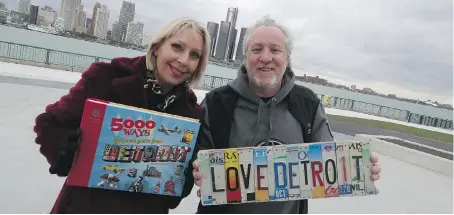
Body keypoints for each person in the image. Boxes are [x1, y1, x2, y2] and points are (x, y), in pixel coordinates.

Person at [192, 16, 382, 214]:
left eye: (275, 50)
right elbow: (197, 160)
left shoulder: (307, 103)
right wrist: (198, 171)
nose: (265, 57)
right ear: (246, 56)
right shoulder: (216, 102)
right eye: (256, 49)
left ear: (287, 59)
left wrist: (358, 168)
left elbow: (331, 162)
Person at [33, 18, 210, 214]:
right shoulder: (106, 77)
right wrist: (65, 150)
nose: (184, 60)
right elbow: (50, 123)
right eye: (177, 47)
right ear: (158, 46)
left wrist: (184, 175)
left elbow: (173, 193)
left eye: (194, 55)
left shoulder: (191, 113)